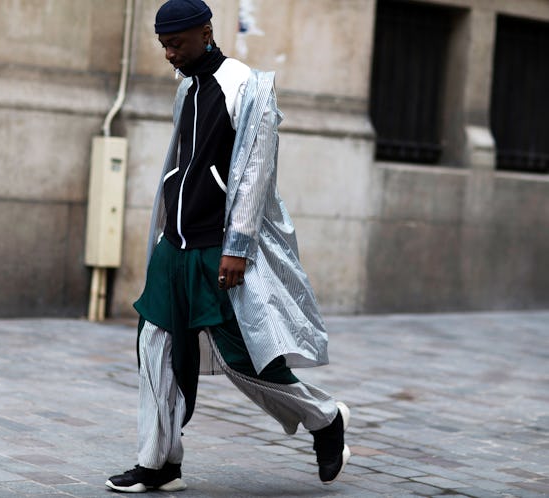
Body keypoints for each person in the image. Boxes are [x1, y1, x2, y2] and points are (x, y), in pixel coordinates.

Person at [106, 0, 350, 492]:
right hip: (174, 244)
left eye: (176, 43)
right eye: (163, 46)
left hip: (217, 247)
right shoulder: (187, 89)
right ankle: (158, 462)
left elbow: (256, 172)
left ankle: (326, 418)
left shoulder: (246, 85)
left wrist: (236, 246)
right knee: (154, 345)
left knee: (241, 359)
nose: (170, 54)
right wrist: (161, 231)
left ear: (206, 31)